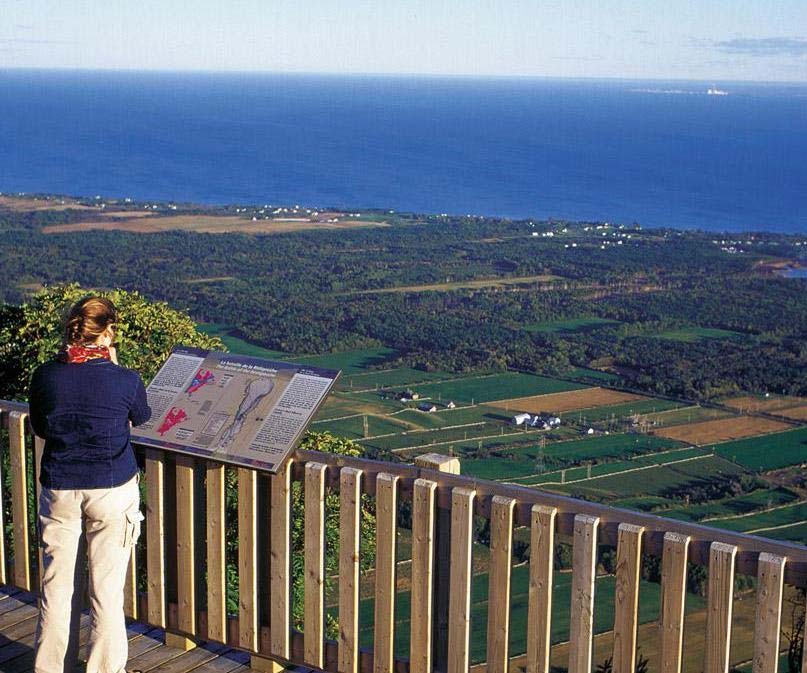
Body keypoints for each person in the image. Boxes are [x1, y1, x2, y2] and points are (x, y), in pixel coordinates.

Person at [28, 296, 151, 673]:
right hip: (112, 489)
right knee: (106, 591)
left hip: (61, 488)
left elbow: (41, 427)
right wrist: (113, 367)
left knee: (56, 587)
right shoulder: (125, 380)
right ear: (107, 334)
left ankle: (49, 668)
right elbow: (141, 416)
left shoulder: (46, 375)